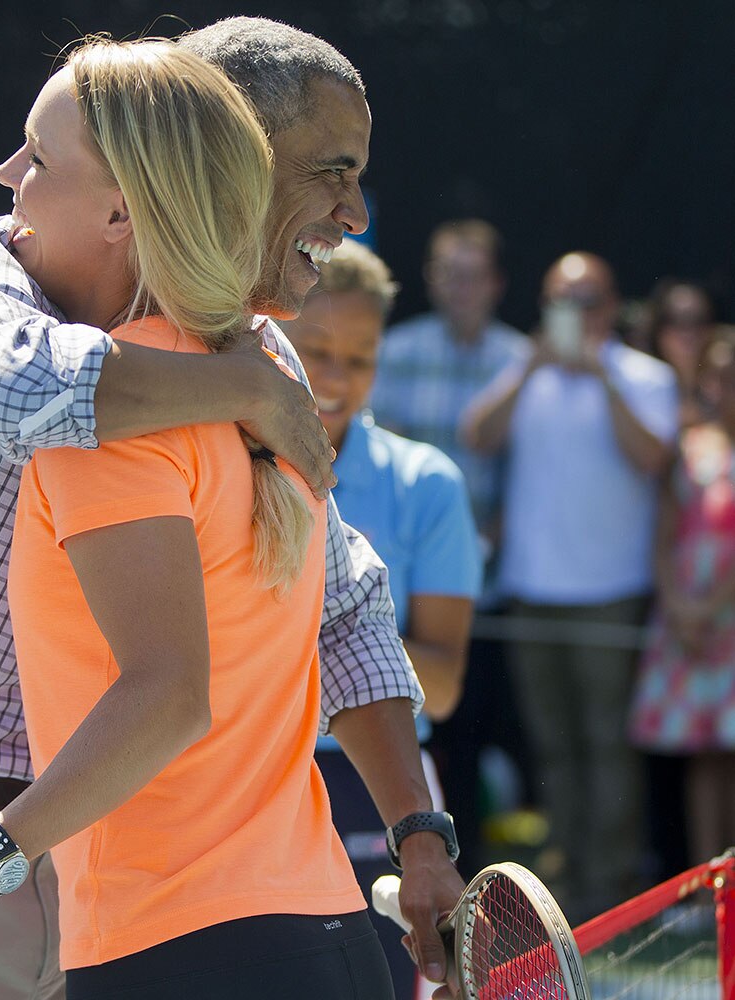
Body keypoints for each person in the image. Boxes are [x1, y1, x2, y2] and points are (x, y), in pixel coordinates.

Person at [0, 17, 463, 1000]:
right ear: (220, 161)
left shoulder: (255, 354)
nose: (354, 210)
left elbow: (341, 604)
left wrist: (417, 831)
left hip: (92, 882)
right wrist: (246, 392)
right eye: (330, 170)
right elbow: (31, 386)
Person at [0, 39, 396, 998]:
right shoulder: (266, 373)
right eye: (333, 175)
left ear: (128, 206)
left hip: (183, 952)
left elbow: (169, 697)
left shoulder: (107, 411)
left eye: (37, 158)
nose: (8, 179)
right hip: (323, 934)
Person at [287, 242, 480, 998]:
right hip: (254, 774)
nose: (336, 378)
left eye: (360, 358)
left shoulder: (427, 484)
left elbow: (448, 684)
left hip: (388, 793)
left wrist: (315, 629)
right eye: (317, 350)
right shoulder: (218, 461)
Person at [462, 251, 678, 920]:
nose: (572, 316)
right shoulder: (527, 372)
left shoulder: (644, 376)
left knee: (608, 745)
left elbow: (653, 458)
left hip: (611, 592)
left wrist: (603, 378)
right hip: (532, 590)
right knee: (554, 747)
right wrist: (529, 366)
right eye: (559, 301)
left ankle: (611, 893)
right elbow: (477, 436)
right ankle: (569, 893)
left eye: (585, 302)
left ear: (611, 308)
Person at [369, 219, 530, 876]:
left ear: (495, 283)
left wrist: (495, 532)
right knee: (409, 724)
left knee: (468, 737)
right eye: (448, 273)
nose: (460, 288)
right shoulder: (392, 350)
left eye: (473, 274)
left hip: (490, 581)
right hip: (404, 579)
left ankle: (476, 880)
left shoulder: (520, 360)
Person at [630, 337, 735, 863]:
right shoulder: (690, 446)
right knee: (703, 755)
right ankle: (706, 888)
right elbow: (665, 533)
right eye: (720, 374)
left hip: (723, 618)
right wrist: (680, 608)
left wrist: (712, 605)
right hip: (690, 623)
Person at [645, 279, 719, 428]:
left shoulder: (725, 388)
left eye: (698, 320)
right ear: (657, 328)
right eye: (675, 320)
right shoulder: (638, 385)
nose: (688, 332)